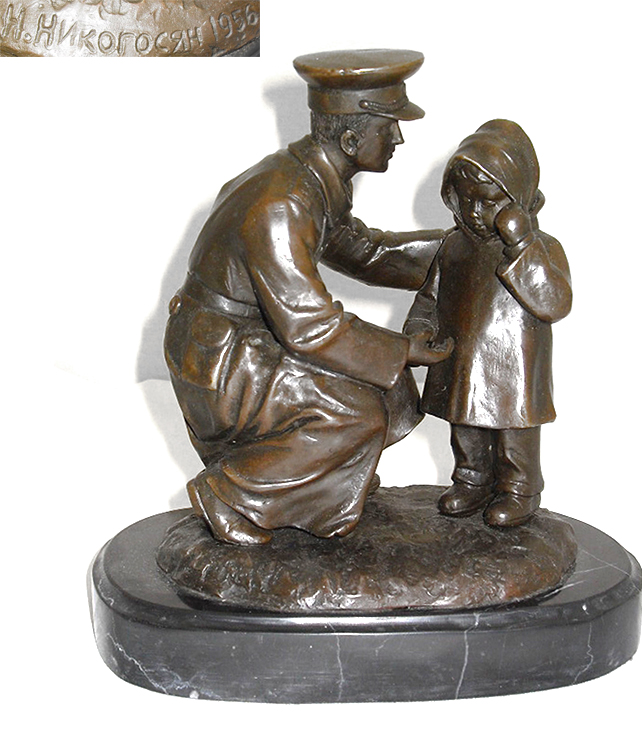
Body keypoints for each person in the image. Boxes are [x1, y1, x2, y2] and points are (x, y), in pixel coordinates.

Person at [164, 50, 450, 546]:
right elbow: (309, 327)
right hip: (221, 359)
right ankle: (231, 494)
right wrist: (403, 349)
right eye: (390, 127)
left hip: (247, 339)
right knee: (359, 413)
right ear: (351, 139)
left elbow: (364, 252)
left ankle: (323, 487)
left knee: (388, 387)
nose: (399, 139)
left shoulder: (311, 179)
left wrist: (455, 252)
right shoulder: (284, 203)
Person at [404, 120, 572, 527]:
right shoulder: (453, 246)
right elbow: (429, 297)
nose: (477, 214)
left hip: (514, 365)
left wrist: (522, 244)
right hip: (461, 358)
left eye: (490, 202)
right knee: (466, 427)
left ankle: (520, 489)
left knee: (514, 432)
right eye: (467, 201)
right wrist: (418, 328)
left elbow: (554, 302)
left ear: (519, 198)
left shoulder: (541, 248)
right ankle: (471, 479)